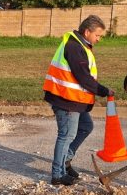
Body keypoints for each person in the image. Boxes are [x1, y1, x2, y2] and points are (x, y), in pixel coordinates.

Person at [43, 14, 113, 186]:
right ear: (87, 31)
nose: (99, 39)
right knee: (66, 136)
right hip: (65, 100)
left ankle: (66, 160)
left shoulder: (82, 45)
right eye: (98, 35)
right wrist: (104, 91)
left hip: (75, 100)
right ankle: (57, 175)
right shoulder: (74, 47)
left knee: (86, 127)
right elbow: (83, 77)